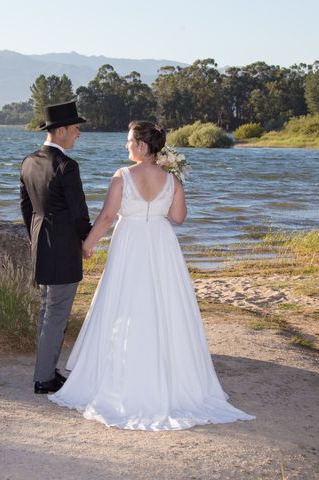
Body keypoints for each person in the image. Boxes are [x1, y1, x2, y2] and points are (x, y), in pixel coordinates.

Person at [48, 121, 255, 430]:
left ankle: (120, 376)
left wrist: (87, 245)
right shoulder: (172, 179)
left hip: (130, 244)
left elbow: (106, 217)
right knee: (165, 306)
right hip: (161, 246)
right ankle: (172, 378)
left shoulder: (122, 177)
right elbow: (178, 218)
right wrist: (171, 188)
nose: (126, 146)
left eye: (129, 140)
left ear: (142, 146)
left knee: (124, 304)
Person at [20, 101, 92, 394]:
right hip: (63, 247)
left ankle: (48, 370)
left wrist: (35, 238)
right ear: (60, 130)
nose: (78, 134)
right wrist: (86, 241)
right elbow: (78, 212)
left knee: (47, 311)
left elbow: (25, 208)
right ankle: (44, 378)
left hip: (40, 243)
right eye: (75, 128)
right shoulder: (66, 166)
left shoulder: (28, 161)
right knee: (56, 313)